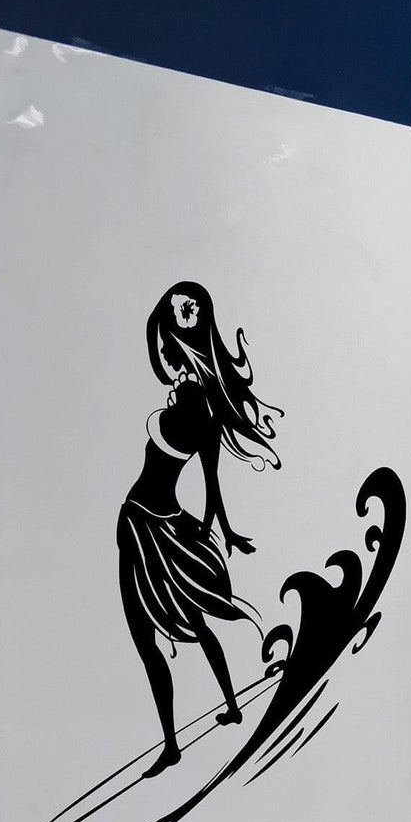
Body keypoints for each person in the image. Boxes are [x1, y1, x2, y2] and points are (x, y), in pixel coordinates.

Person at [117, 282, 282, 776]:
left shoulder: (195, 409)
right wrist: (216, 528)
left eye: (170, 340)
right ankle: (211, 719)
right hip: (152, 524)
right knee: (177, 629)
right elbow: (212, 486)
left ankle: (187, 735)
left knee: (158, 636)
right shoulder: (199, 407)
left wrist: (215, 528)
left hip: (150, 526)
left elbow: (210, 484)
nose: (166, 356)